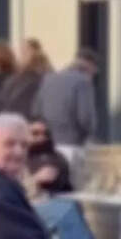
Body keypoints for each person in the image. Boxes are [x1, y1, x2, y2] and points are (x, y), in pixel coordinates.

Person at [26, 118, 112, 239]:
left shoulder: (56, 156)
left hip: (53, 202)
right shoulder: (19, 158)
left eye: (45, 133)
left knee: (68, 219)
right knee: (67, 211)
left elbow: (71, 182)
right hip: (27, 208)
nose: (41, 137)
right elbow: (12, 189)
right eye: (35, 133)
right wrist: (36, 179)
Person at [32, 47, 100, 185]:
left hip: (49, 145)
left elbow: (36, 110)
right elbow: (85, 117)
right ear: (90, 67)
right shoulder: (83, 81)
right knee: (70, 186)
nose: (93, 77)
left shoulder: (49, 78)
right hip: (73, 145)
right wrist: (91, 135)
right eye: (94, 73)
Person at [0, 38, 52, 119]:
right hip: (10, 122)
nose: (19, 56)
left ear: (34, 52)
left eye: (24, 52)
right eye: (19, 52)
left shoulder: (42, 76)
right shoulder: (12, 79)